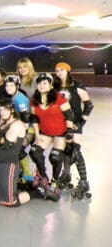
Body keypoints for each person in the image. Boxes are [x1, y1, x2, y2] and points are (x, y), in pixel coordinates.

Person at [0, 98, 59, 207]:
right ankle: (15, 183)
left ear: (11, 110)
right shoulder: (3, 121)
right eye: (0, 110)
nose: (2, 112)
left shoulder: (17, 125)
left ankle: (39, 192)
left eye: (5, 110)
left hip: (8, 165)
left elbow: (6, 144)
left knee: (10, 202)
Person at [54, 62, 94, 198]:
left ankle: (84, 182)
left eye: (62, 70)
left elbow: (89, 105)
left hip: (75, 123)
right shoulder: (55, 86)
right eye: (57, 70)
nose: (59, 73)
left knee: (74, 151)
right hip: (60, 123)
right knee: (65, 151)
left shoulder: (77, 85)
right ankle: (66, 175)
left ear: (68, 71)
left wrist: (81, 121)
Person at [29, 73, 74, 192]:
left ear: (51, 85)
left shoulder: (59, 97)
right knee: (34, 151)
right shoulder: (34, 100)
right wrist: (37, 136)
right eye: (39, 83)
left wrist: (69, 132)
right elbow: (34, 118)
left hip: (61, 133)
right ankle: (43, 177)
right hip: (45, 133)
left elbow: (69, 114)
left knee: (55, 157)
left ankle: (55, 181)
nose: (42, 85)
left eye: (45, 83)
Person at [3, 75, 33, 182]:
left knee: (18, 150)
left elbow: (26, 117)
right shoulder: (14, 97)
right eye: (7, 86)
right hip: (22, 127)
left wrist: (22, 134)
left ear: (17, 86)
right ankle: (22, 171)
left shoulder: (19, 99)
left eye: (11, 86)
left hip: (29, 129)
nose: (8, 88)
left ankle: (28, 174)